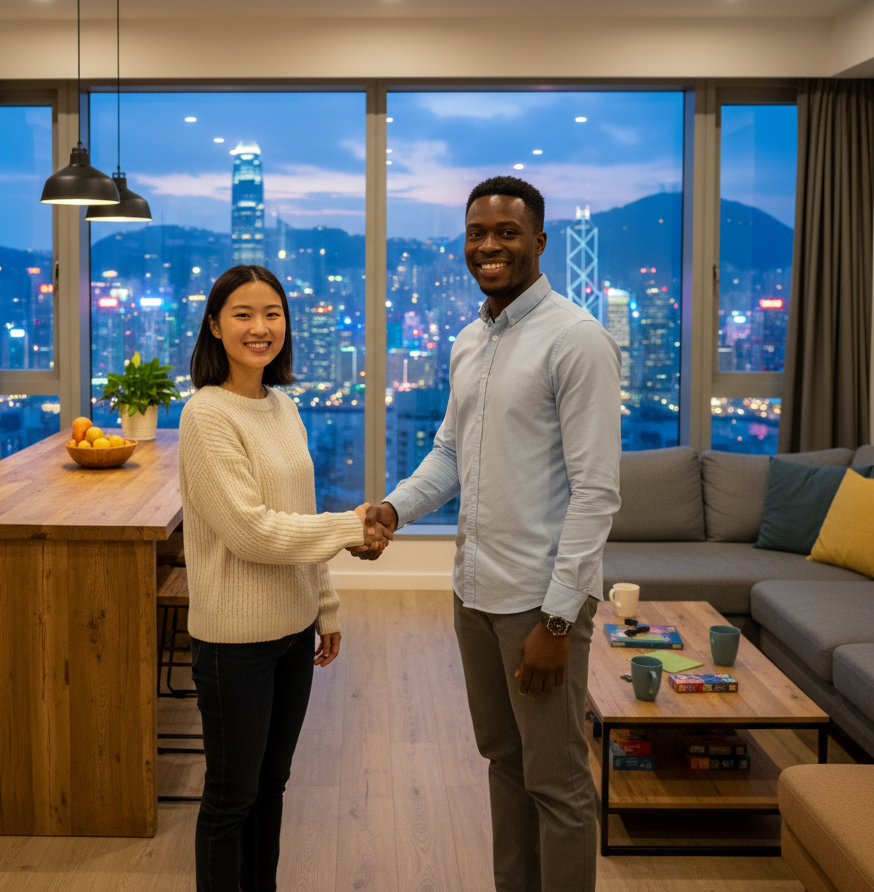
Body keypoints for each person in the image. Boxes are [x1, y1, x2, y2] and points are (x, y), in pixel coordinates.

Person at [358, 176, 621, 892]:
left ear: (539, 242)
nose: (489, 246)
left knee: (559, 782)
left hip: (539, 605)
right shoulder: (470, 341)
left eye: (506, 233)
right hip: (472, 593)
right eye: (477, 233)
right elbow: (450, 452)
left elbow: (597, 493)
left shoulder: (576, 340)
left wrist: (559, 619)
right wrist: (393, 509)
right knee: (504, 762)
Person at [180, 263, 392, 892]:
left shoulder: (283, 404)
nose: (260, 327)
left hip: (294, 633)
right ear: (215, 326)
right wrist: (352, 527)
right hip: (232, 644)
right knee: (231, 796)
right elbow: (252, 532)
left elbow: (296, 516)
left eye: (272, 314)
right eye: (242, 314)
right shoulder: (206, 416)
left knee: (271, 786)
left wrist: (324, 606)